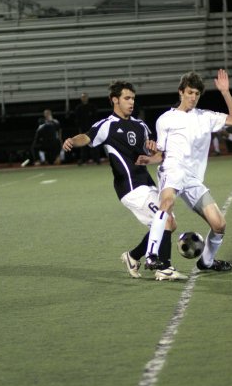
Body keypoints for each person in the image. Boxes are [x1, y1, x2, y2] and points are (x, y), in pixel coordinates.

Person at [62, 80, 186, 282]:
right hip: (130, 187)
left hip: (147, 183)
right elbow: (86, 137)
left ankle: (133, 256)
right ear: (115, 100)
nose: (131, 102)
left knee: (169, 224)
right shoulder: (107, 125)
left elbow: (154, 152)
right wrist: (72, 141)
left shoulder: (141, 126)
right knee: (165, 221)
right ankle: (164, 268)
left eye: (133, 98)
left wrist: (153, 149)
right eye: (127, 98)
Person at [137, 68, 232, 273]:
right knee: (166, 203)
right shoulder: (165, 119)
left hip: (193, 179)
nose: (193, 97)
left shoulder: (205, 117)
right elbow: (162, 154)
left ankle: (207, 262)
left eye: (196, 93)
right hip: (173, 169)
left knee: (219, 224)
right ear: (181, 92)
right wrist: (150, 159)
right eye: (190, 92)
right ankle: (152, 255)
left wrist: (225, 92)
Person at [73, 92, 101, 165]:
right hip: (83, 129)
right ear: (81, 98)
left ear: (87, 98)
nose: (84, 98)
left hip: (91, 129)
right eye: (83, 97)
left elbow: (96, 118)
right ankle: (83, 160)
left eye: (85, 97)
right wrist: (79, 128)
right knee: (83, 145)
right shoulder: (78, 108)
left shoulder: (92, 107)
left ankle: (96, 160)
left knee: (94, 143)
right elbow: (77, 119)